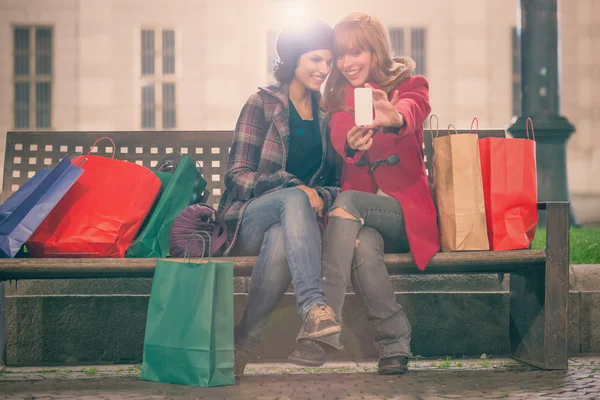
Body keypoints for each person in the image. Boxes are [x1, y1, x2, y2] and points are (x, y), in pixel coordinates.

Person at [288, 12, 440, 375]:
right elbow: (342, 133)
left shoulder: (412, 84)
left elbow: (413, 109)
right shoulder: (337, 98)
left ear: (376, 52)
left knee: (348, 201)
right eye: (341, 55)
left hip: (404, 214)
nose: (346, 63)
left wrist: (395, 117)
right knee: (362, 246)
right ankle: (395, 341)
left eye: (356, 53)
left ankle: (325, 325)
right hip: (356, 223)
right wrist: (352, 142)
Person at [217, 19, 342, 377]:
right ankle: (314, 306)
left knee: (281, 235)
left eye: (329, 62)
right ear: (294, 60)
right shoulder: (262, 103)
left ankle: (243, 342)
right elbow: (236, 175)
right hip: (247, 219)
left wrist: (315, 192)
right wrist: (291, 185)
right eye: (316, 60)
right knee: (292, 199)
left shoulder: (326, 115)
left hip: (295, 228)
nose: (324, 69)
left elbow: (335, 184)